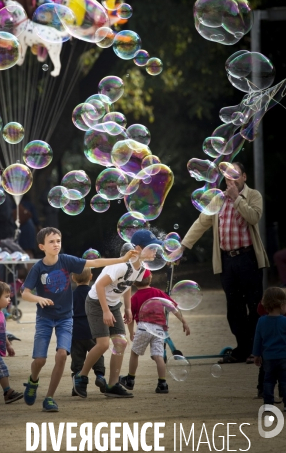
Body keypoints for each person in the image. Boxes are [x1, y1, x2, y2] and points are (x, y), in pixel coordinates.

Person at [21, 227, 137, 412]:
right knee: (40, 360)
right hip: (45, 318)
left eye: (58, 240)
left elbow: (96, 262)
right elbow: (25, 293)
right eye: (51, 242)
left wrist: (122, 260)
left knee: (61, 355)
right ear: (42, 246)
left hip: (66, 318)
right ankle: (33, 380)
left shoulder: (67, 260)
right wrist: (39, 298)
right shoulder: (38, 268)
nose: (56, 244)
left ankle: (49, 398)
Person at [180, 161, 269, 364]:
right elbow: (200, 223)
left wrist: (237, 199)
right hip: (227, 261)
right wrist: (182, 247)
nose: (231, 179)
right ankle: (242, 350)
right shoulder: (218, 200)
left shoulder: (253, 195)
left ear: (244, 177)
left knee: (254, 305)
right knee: (234, 308)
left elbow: (253, 217)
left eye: (235, 175)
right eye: (228, 176)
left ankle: (255, 351)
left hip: (248, 259)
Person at [72, 229, 159, 400]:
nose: (156, 251)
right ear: (139, 249)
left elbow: (127, 285)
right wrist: (105, 310)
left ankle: (112, 385)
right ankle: (81, 377)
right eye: (152, 248)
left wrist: (127, 308)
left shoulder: (141, 268)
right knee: (103, 344)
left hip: (112, 304)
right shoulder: (121, 265)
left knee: (121, 342)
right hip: (97, 302)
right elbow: (99, 286)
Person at [119, 268, 190, 394]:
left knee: (135, 353)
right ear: (150, 278)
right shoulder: (158, 292)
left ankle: (130, 379)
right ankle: (162, 383)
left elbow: (129, 318)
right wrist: (183, 321)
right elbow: (173, 308)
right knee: (158, 356)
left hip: (143, 328)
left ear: (134, 283)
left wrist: (131, 332)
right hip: (159, 329)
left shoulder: (134, 298)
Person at [70, 267, 106, 396]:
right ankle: (100, 375)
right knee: (97, 354)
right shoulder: (95, 294)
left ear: (73, 278)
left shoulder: (71, 295)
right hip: (93, 330)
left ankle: (79, 386)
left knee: (77, 360)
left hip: (76, 332)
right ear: (91, 277)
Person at [253, 286, 286, 411]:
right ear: (282, 304)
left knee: (268, 381)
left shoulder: (261, 321)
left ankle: (268, 404)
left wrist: (256, 355)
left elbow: (258, 340)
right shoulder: (284, 321)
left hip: (268, 358)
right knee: (284, 381)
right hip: (283, 357)